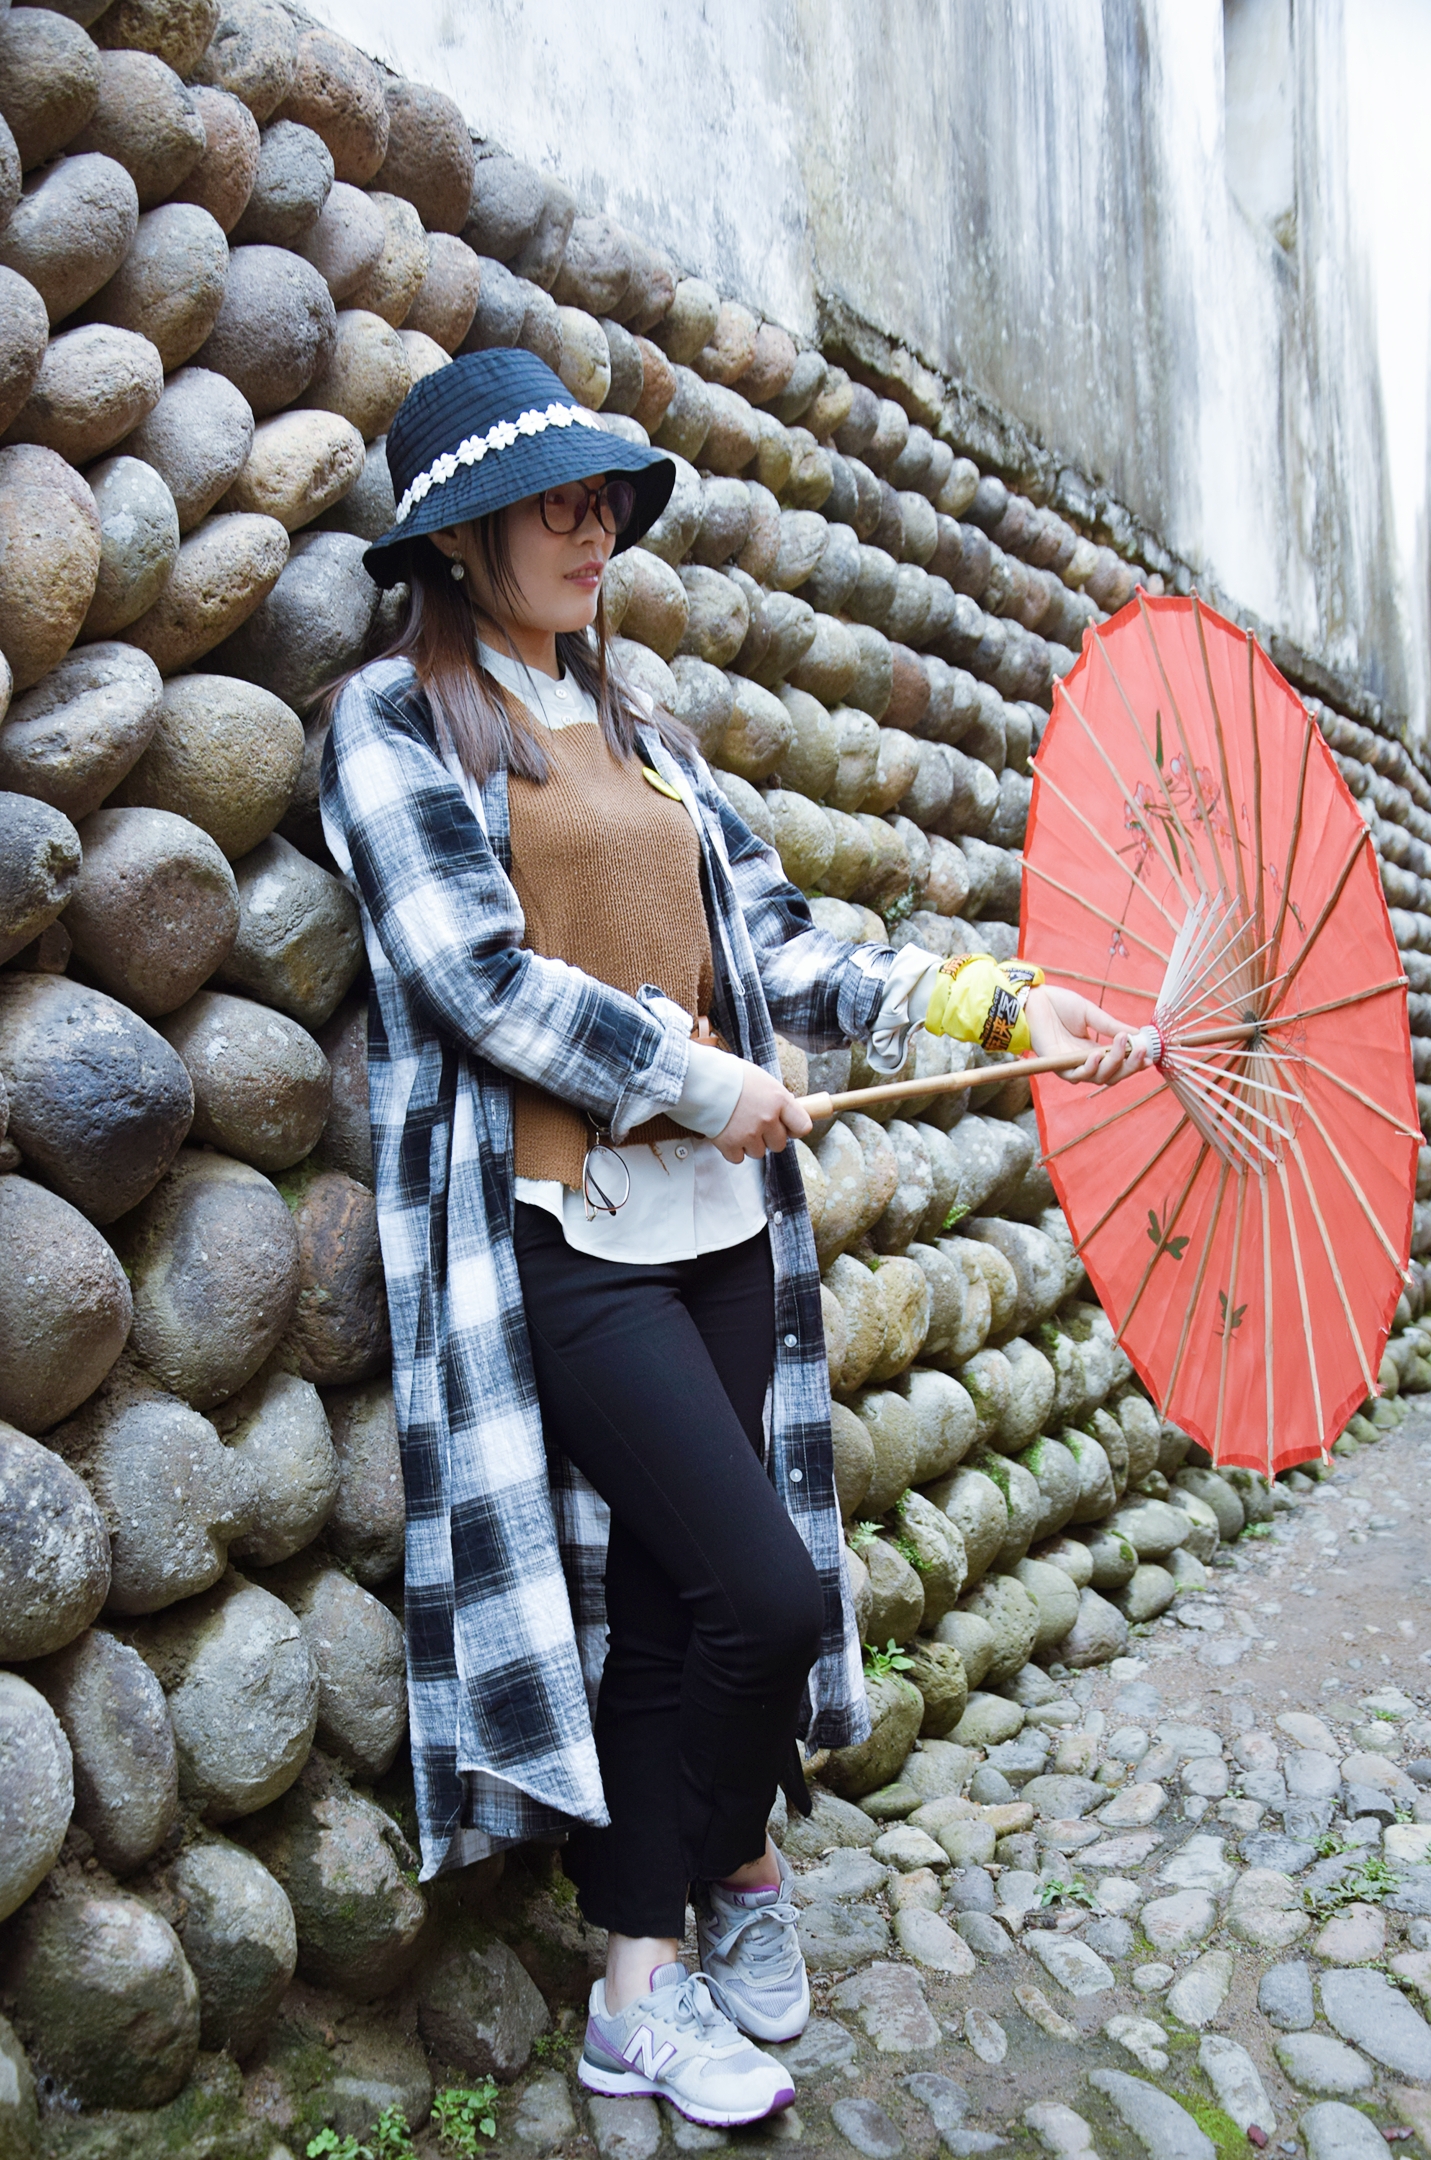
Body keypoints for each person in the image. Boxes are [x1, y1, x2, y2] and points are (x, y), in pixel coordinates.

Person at [319, 350, 1144, 2132]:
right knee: (765, 1594)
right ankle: (678, 1938)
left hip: (710, 1232)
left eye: (603, 501)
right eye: (550, 504)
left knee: (683, 1605)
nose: (590, 529)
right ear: (453, 538)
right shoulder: (393, 724)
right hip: (560, 1234)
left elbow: (781, 948)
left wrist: (1002, 1007)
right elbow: (472, 977)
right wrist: (693, 1076)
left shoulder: (644, 730)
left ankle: (672, 1942)